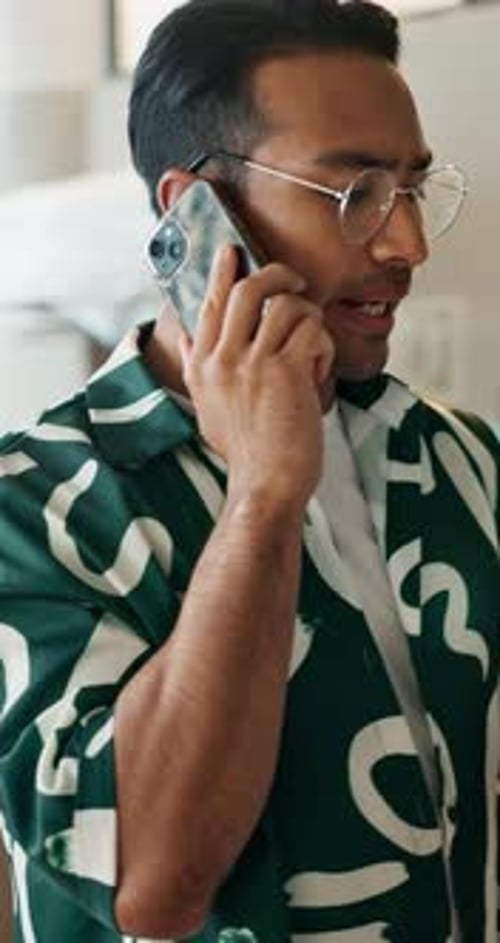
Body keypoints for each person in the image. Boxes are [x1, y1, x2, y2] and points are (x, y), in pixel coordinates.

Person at [0, 0, 498, 940]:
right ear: (194, 207)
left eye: (412, 190)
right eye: (353, 194)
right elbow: (150, 883)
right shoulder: (33, 508)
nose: (406, 247)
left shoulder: (462, 461)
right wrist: (264, 498)